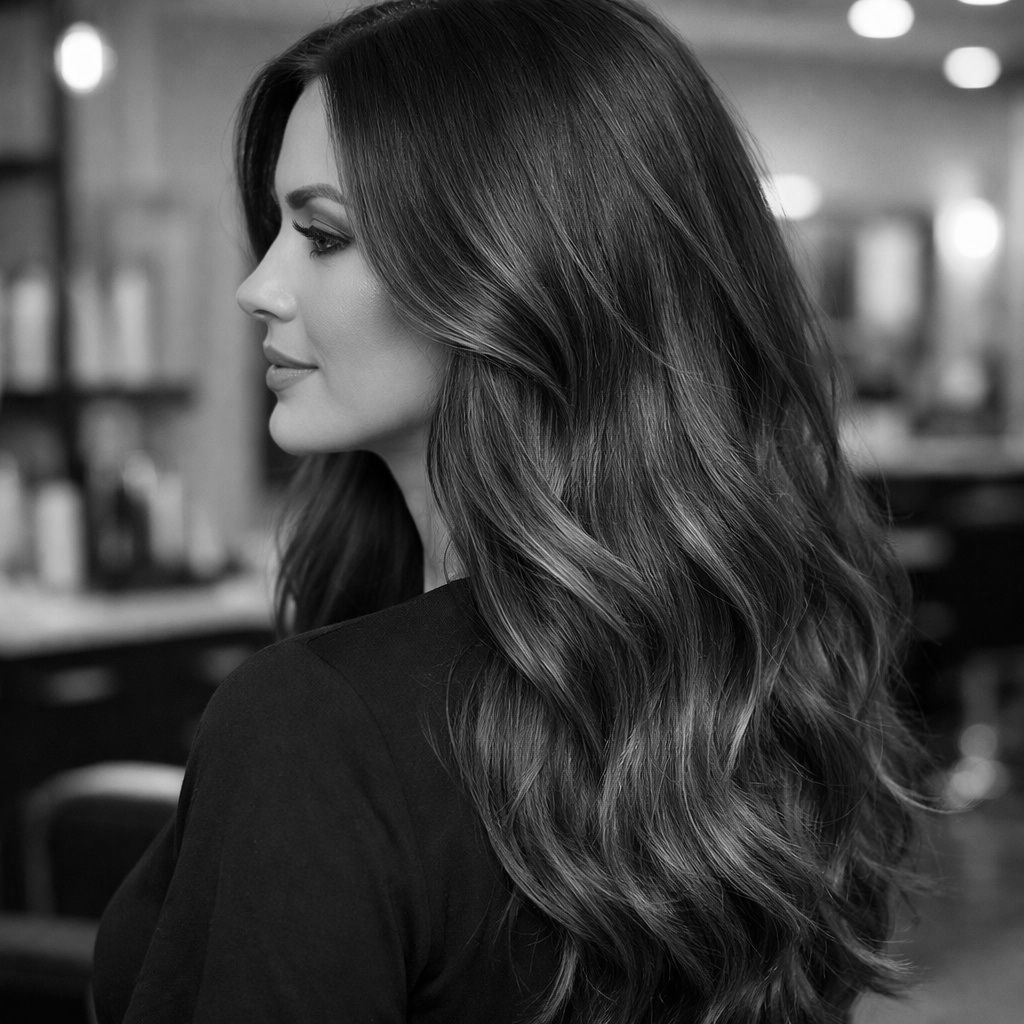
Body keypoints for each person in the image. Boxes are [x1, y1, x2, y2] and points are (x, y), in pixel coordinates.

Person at [92, 0, 925, 1021]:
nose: (257, 287)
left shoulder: (316, 728)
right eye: (274, 230)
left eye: (319, 234)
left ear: (512, 269)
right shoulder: (765, 663)